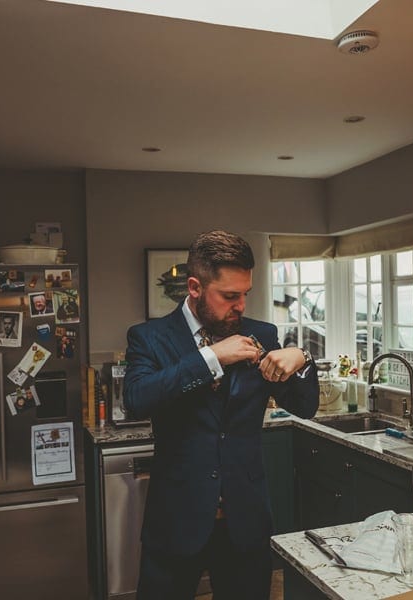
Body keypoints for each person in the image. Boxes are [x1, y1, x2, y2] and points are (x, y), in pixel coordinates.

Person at [123, 230, 319, 600]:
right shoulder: (149, 338)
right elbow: (135, 399)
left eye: (245, 293)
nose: (241, 305)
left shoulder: (262, 334)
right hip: (176, 522)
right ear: (195, 287)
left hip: (245, 523)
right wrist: (212, 357)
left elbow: (303, 407)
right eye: (230, 296)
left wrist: (303, 358)